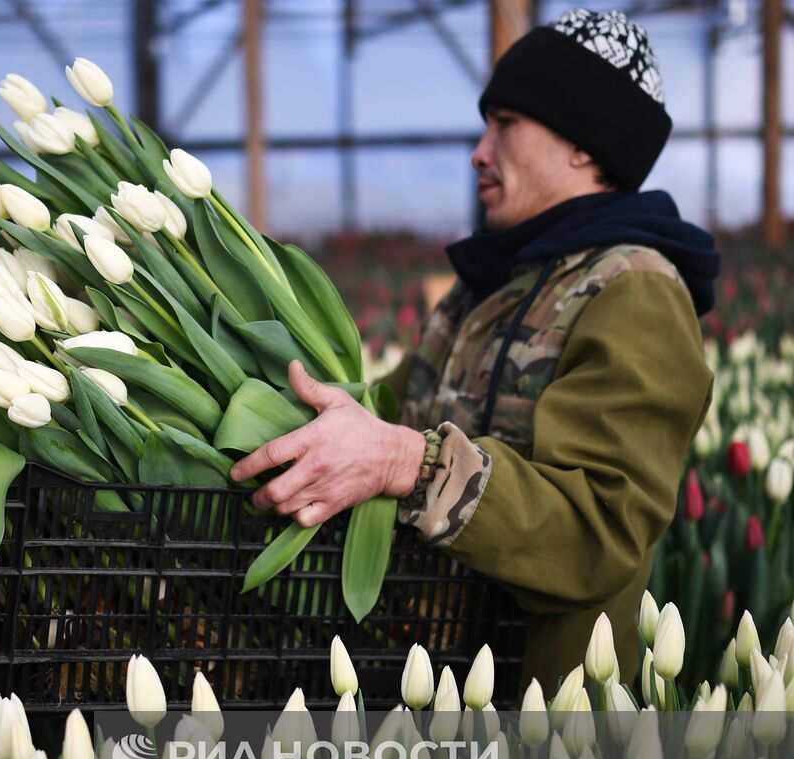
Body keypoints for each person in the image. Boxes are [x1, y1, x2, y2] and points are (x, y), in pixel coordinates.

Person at [230, 9, 721, 694]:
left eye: (506, 123)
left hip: (542, 726)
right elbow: (390, 409)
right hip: (424, 692)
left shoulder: (633, 291)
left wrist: (407, 461)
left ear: (584, 144)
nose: (479, 151)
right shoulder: (491, 284)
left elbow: (599, 529)